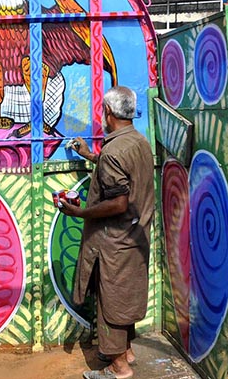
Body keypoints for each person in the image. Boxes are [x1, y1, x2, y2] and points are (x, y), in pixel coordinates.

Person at [60, 86, 155, 379]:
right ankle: (126, 351)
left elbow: (118, 201)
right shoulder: (138, 141)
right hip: (136, 237)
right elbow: (120, 172)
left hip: (115, 241)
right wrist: (90, 155)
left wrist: (79, 213)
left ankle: (119, 368)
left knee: (111, 301)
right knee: (124, 297)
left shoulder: (115, 150)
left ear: (108, 113)